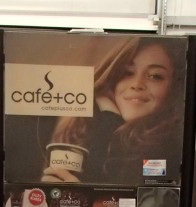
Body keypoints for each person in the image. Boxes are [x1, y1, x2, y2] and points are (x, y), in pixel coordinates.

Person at [41, 37, 186, 185]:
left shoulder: (167, 149)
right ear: (112, 78)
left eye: (155, 76)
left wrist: (110, 117)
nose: (137, 84)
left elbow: (143, 195)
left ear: (174, 87)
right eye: (127, 72)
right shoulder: (85, 129)